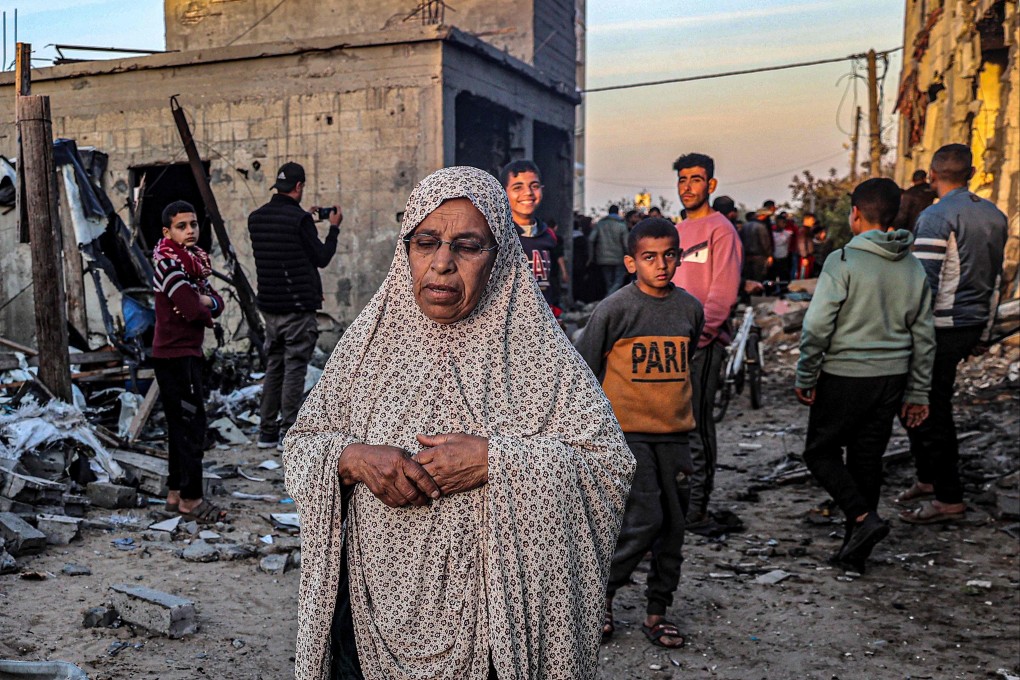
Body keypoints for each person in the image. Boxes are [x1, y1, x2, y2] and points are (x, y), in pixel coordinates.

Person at [283, 167, 635, 680]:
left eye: (468, 246)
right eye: (427, 242)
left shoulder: (537, 351)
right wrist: (351, 458)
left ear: (500, 258)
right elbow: (302, 445)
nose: (442, 263)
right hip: (369, 620)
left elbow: (607, 466)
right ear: (407, 249)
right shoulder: (369, 345)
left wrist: (497, 461)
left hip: (497, 633)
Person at [795, 178, 935, 572]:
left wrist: (806, 374)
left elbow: (818, 326)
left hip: (844, 376)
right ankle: (856, 553)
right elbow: (924, 335)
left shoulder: (843, 261)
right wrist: (918, 392)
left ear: (855, 214)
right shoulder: (912, 266)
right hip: (891, 378)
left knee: (819, 452)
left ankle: (862, 517)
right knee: (866, 458)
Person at [576, 218, 703, 650]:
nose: (661, 264)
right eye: (649, 257)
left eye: (669, 255)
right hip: (627, 436)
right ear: (631, 262)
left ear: (680, 257)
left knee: (673, 527)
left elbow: (691, 372)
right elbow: (585, 369)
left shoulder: (689, 308)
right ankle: (601, 599)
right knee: (643, 519)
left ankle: (657, 612)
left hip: (676, 436)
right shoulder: (615, 309)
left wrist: (697, 429)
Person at [898, 144, 1009, 524]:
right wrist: (984, 332)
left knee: (929, 409)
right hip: (972, 323)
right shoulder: (995, 215)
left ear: (930, 175)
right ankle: (929, 480)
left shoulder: (934, 217)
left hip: (939, 327)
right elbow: (998, 279)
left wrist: (908, 332)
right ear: (972, 173)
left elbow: (923, 282)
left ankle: (948, 497)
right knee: (926, 403)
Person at [670, 152, 742, 533]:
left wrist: (701, 338)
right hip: (671, 345)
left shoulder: (721, 230)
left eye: (695, 179)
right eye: (682, 180)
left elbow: (722, 293)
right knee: (675, 427)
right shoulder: (676, 233)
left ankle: (698, 508)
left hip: (703, 345)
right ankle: (680, 502)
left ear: (710, 185)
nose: (687, 187)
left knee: (698, 426)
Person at [248, 161, 343, 451]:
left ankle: (266, 433)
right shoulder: (299, 221)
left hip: (269, 307)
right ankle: (288, 433)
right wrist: (333, 229)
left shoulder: (256, 218)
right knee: (294, 368)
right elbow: (321, 257)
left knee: (274, 366)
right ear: (299, 187)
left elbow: (285, 249)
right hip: (297, 309)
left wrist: (305, 220)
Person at [152, 201, 227, 523]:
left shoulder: (193, 264)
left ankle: (174, 494)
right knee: (191, 428)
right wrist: (205, 309)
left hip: (184, 353)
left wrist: (205, 304)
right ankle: (191, 499)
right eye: (182, 226)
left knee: (180, 427)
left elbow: (215, 302)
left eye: (193, 224)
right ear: (167, 232)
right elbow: (192, 307)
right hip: (176, 356)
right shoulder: (168, 264)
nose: (190, 231)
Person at [501, 160, 568, 317]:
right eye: (518, 187)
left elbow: (552, 280)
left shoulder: (548, 235)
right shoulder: (498, 235)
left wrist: (555, 312)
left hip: (542, 318)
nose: (528, 193)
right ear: (504, 192)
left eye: (534, 186)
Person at [589, 204, 630, 296]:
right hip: (618, 258)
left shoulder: (600, 224)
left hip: (602, 257)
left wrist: (591, 256)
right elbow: (626, 244)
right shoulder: (621, 225)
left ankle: (609, 301)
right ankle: (608, 299)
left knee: (609, 282)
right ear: (617, 212)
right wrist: (629, 256)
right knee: (618, 281)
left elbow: (591, 239)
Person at [740, 210, 772, 283]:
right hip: (759, 256)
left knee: (748, 277)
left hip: (747, 255)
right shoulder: (761, 227)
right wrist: (769, 254)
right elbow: (765, 242)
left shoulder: (744, 226)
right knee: (758, 278)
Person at [794, 213, 817, 279]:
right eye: (812, 220)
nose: (813, 222)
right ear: (806, 220)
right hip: (805, 257)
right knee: (803, 275)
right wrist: (804, 257)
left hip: (808, 256)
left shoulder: (808, 230)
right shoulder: (802, 231)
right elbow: (801, 244)